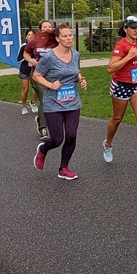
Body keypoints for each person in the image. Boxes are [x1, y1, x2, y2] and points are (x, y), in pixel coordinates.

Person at [32, 24, 87, 181]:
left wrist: (81, 79)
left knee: (71, 136)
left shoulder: (75, 54)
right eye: (65, 36)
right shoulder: (49, 57)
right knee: (57, 139)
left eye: (70, 35)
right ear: (57, 38)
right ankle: (43, 149)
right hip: (53, 103)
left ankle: (64, 168)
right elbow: (37, 75)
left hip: (72, 102)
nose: (69, 38)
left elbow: (76, 71)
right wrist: (50, 85)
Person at [103, 16, 137, 168]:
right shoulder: (121, 45)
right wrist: (128, 57)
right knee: (117, 119)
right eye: (133, 28)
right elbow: (110, 68)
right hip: (121, 85)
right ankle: (108, 144)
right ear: (125, 29)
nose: (136, 30)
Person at [23, 20, 57, 140]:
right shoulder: (34, 41)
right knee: (45, 98)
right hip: (37, 74)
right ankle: (43, 128)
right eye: (45, 27)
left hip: (52, 74)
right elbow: (26, 53)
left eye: (49, 26)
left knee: (53, 100)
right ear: (40, 29)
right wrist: (32, 61)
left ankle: (41, 119)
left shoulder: (56, 41)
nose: (48, 28)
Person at [16, 29, 39, 115]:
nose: (31, 36)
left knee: (37, 88)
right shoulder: (23, 46)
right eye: (29, 35)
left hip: (35, 70)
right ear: (26, 37)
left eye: (32, 34)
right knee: (25, 90)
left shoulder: (37, 46)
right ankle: (24, 106)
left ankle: (33, 102)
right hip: (25, 70)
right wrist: (27, 58)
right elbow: (18, 60)